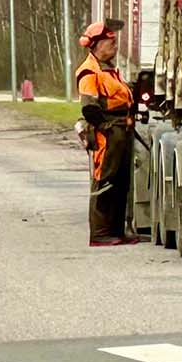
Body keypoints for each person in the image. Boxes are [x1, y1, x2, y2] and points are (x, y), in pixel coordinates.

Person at [75, 20, 139, 247]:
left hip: (121, 129)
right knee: (105, 180)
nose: (114, 44)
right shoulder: (89, 71)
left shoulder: (109, 69)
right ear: (97, 44)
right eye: (110, 41)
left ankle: (117, 231)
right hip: (108, 132)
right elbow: (90, 107)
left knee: (121, 182)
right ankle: (100, 233)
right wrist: (106, 128)